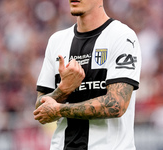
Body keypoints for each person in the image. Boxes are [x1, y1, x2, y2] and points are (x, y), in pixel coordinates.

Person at [33, 0, 141, 150]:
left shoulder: (122, 36)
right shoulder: (56, 41)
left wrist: (59, 109)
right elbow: (40, 111)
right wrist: (63, 90)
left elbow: (117, 104)